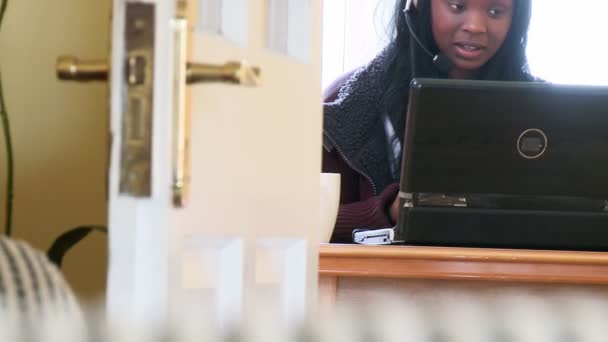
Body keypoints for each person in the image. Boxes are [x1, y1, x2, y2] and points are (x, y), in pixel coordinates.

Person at [323, 0, 535, 243]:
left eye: (496, 12)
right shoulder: (346, 105)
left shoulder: (545, 110)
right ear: (417, 5)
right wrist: (388, 211)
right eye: (457, 6)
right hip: (383, 279)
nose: (476, 26)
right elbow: (300, 222)